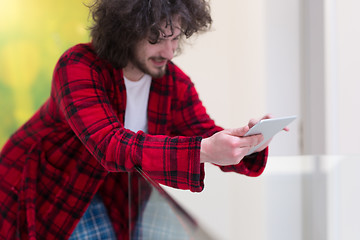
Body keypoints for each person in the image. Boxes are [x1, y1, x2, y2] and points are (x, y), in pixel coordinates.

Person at [0, 0, 272, 239]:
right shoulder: (78, 66)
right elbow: (110, 145)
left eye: (175, 38)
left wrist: (246, 142)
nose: (168, 52)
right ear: (125, 31)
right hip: (48, 185)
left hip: (116, 191)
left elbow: (203, 133)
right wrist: (205, 149)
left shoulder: (172, 82)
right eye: (156, 38)